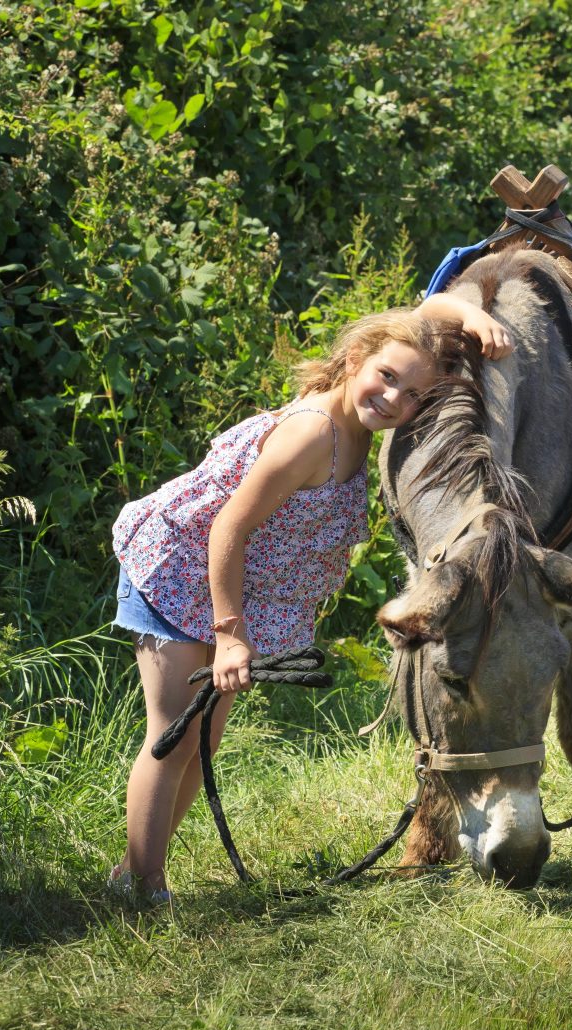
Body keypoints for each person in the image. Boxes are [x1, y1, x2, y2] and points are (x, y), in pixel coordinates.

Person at [106, 294, 511, 904]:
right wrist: (229, 634)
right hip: (181, 575)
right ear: (354, 360)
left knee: (203, 742)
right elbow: (228, 530)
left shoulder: (358, 430)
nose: (395, 400)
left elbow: (430, 306)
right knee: (172, 740)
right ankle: (143, 888)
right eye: (387, 378)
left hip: (224, 588)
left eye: (413, 395)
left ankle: (136, 868)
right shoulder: (311, 435)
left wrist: (472, 317)